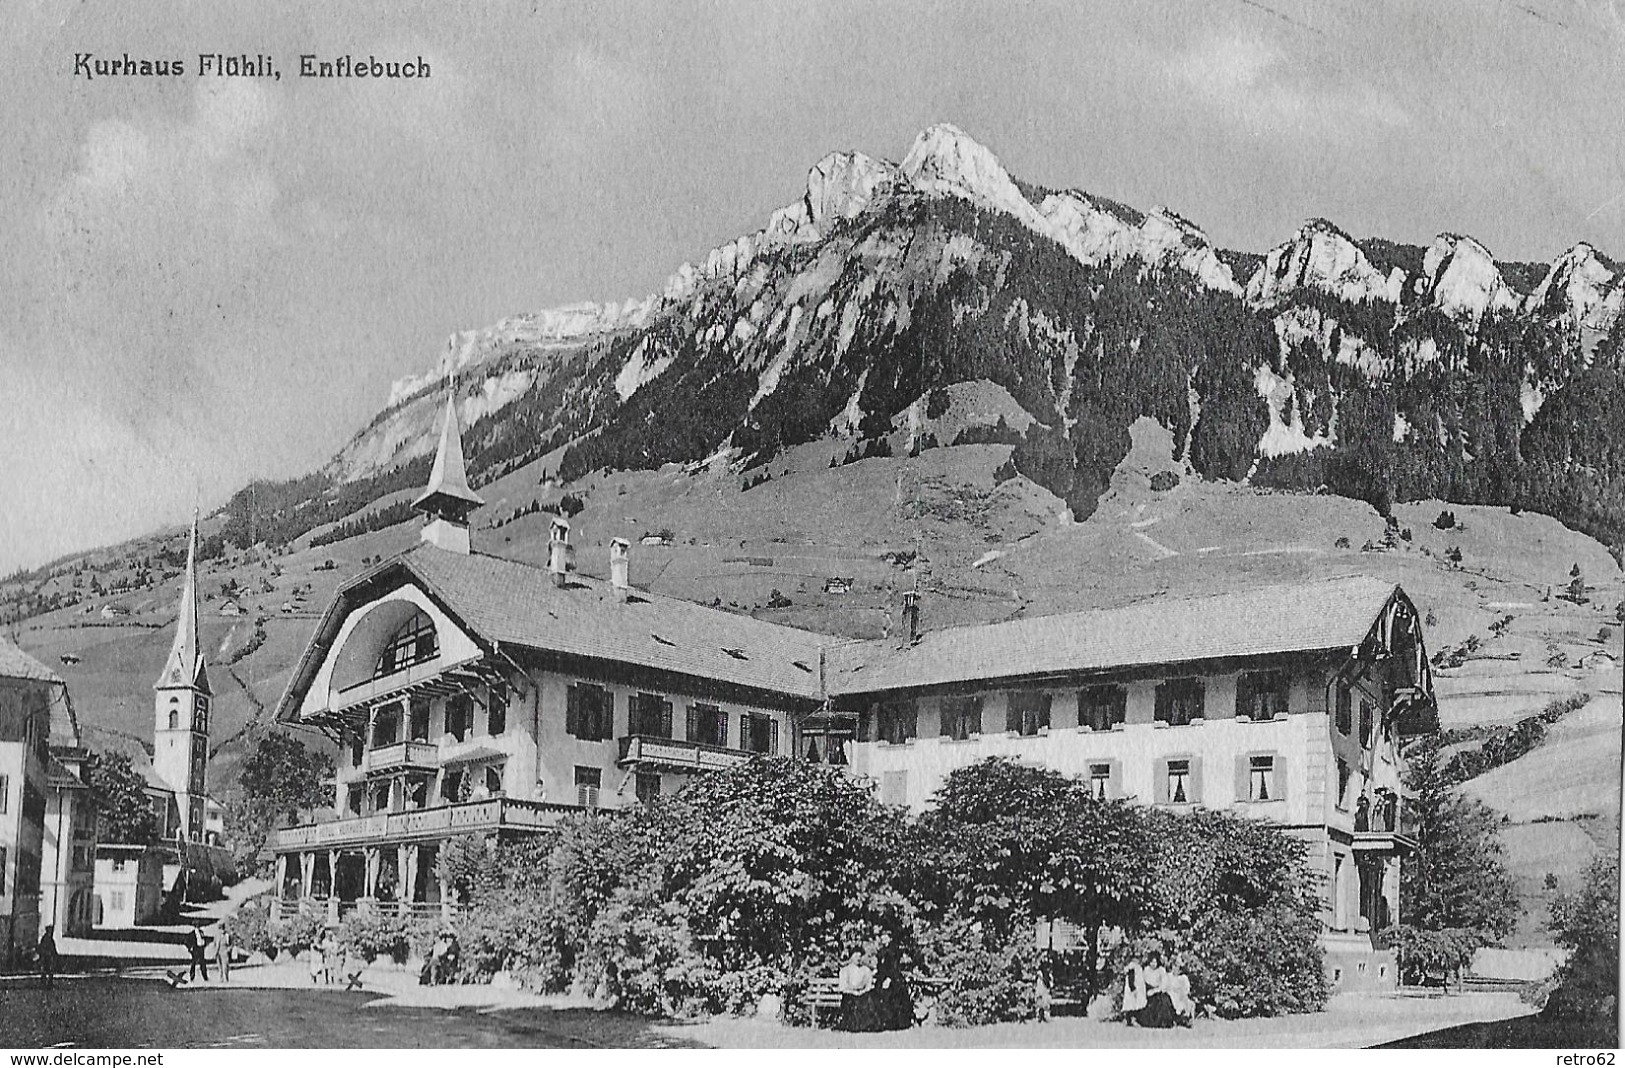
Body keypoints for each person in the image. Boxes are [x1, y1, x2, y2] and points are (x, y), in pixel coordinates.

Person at [835, 950, 877, 1031]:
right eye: (856, 956)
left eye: (860, 956)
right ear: (851, 957)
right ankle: (851, 1026)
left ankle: (866, 1026)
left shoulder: (865, 970)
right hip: (849, 995)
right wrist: (853, 992)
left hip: (862, 994)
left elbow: (869, 985)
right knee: (850, 1001)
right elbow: (843, 987)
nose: (858, 958)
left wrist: (862, 992)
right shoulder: (845, 970)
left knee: (867, 1000)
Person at [1135, 950, 1177, 1029]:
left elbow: (1164, 985)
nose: (1153, 964)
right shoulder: (1146, 970)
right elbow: (1142, 983)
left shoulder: (1161, 970)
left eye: (1155, 962)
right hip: (1149, 992)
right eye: (1151, 962)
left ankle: (1165, 1022)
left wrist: (1155, 990)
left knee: (1164, 1001)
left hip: (1159, 992)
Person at [1165, 955, 1195, 1027]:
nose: (1176, 969)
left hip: (1180, 996)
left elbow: (1186, 989)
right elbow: (1166, 987)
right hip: (1171, 995)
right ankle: (1175, 1019)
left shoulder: (1183, 978)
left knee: (1186, 1001)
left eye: (1178, 967)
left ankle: (1187, 1019)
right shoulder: (1169, 976)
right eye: (1174, 966)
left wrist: (1182, 992)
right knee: (1171, 999)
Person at [1120, 955, 1147, 1023]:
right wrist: (1133, 989)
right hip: (1133, 990)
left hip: (1138, 988)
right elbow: (1131, 979)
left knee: (1136, 1004)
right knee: (1132, 1004)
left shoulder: (1138, 967)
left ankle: (1131, 1019)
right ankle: (1130, 1019)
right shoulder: (1132, 967)